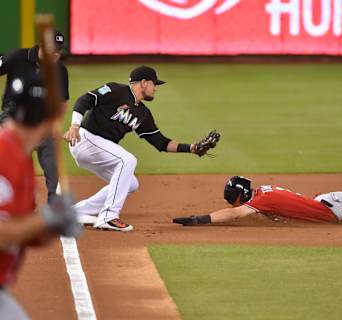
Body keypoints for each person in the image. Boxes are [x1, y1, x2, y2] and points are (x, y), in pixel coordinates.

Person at [63, 65, 220, 232]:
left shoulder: (143, 114)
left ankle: (76, 212)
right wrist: (74, 126)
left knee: (130, 183)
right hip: (85, 138)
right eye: (154, 84)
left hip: (100, 149)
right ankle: (108, 217)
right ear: (144, 83)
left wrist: (192, 148)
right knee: (127, 160)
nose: (156, 89)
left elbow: (161, 143)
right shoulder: (116, 90)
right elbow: (85, 100)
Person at [172, 148, 342, 226]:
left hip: (336, 208)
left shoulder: (260, 202)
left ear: (240, 197)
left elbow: (234, 215)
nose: (234, 204)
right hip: (330, 201)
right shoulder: (264, 192)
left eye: (232, 199)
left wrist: (201, 219)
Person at [0, 75, 81, 319]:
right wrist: (47, 217)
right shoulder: (4, 155)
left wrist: (54, 227)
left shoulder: (21, 157)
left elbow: (23, 234)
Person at [0, 31, 69, 203]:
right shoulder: (18, 57)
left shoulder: (59, 69)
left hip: (44, 124)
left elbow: (61, 103)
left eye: (58, 52)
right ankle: (16, 207)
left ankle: (54, 211)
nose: (55, 55)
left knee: (53, 171)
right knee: (14, 168)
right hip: (14, 122)